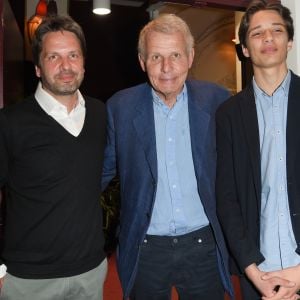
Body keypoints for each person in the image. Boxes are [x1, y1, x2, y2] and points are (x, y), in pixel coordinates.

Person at [102, 13, 234, 300]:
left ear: (190, 56)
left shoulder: (217, 101)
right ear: (141, 61)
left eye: (175, 54)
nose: (166, 68)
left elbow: (241, 169)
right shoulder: (120, 108)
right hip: (146, 249)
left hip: (204, 246)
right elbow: (97, 174)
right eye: (155, 57)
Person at [0, 15, 107, 300]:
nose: (66, 66)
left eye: (73, 55)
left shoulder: (100, 114)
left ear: (84, 62)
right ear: (37, 68)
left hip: (90, 273)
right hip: (28, 281)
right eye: (53, 57)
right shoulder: (9, 122)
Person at [216, 1, 300, 300]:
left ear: (289, 41)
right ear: (245, 49)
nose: (268, 38)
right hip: (257, 271)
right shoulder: (227, 115)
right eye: (257, 33)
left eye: (276, 30)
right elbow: (226, 200)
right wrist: (253, 271)